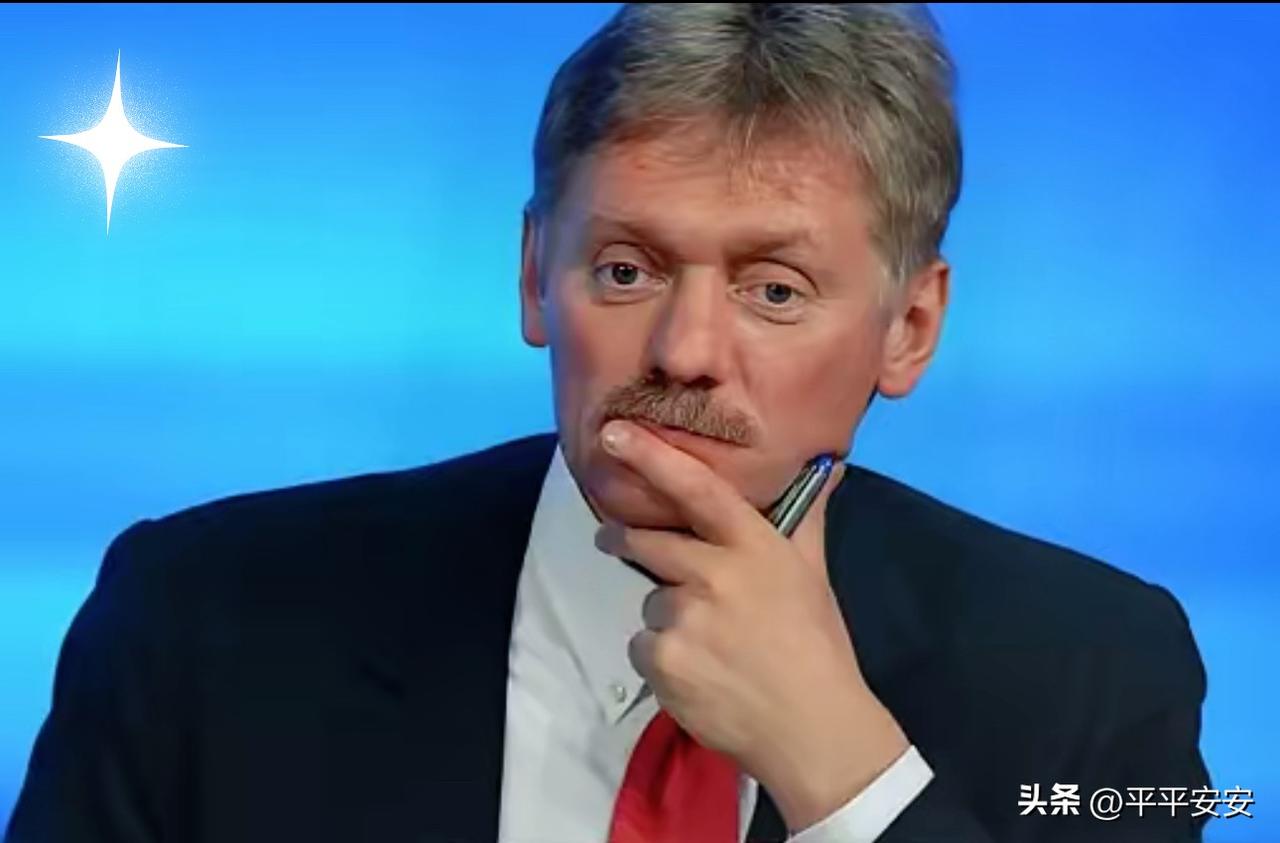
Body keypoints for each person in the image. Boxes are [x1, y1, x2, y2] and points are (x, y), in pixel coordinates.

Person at [6, 4, 1212, 842]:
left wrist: (847, 777)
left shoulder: (1096, 676)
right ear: (536, 275)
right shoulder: (199, 619)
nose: (683, 351)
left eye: (772, 290)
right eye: (626, 271)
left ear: (908, 326)